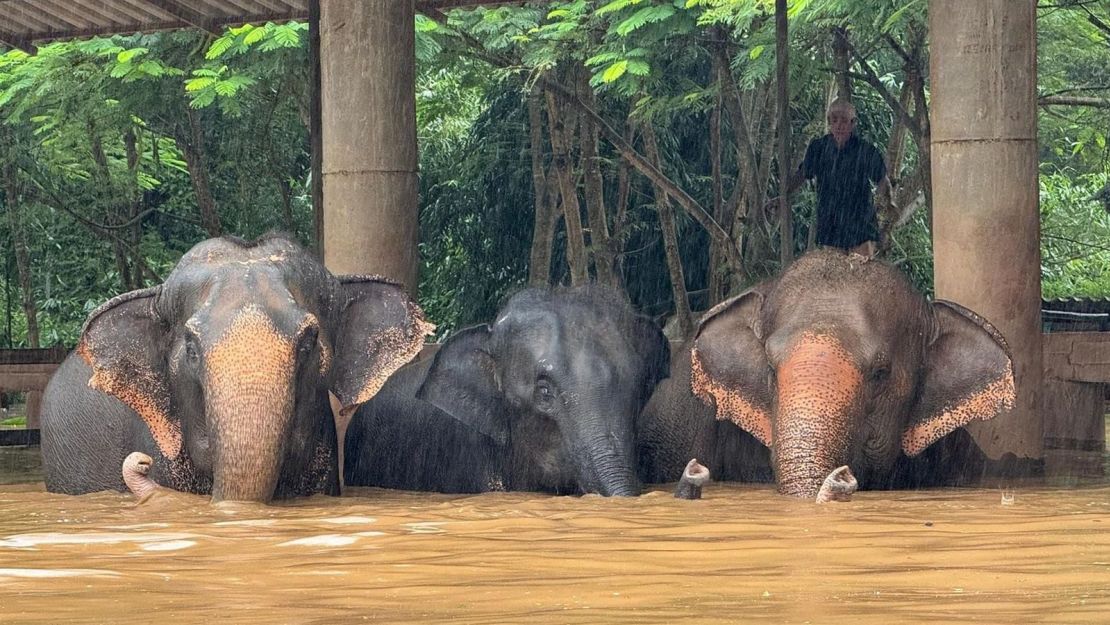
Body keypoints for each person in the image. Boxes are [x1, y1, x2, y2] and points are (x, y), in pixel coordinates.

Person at [767, 98, 892, 257]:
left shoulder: (866, 151)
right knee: (834, 277)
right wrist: (783, 195)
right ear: (829, 122)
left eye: (844, 120)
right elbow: (803, 174)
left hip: (860, 224)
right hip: (830, 223)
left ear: (853, 123)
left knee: (863, 275)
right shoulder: (818, 148)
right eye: (834, 120)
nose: (839, 125)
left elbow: (882, 180)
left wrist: (888, 204)